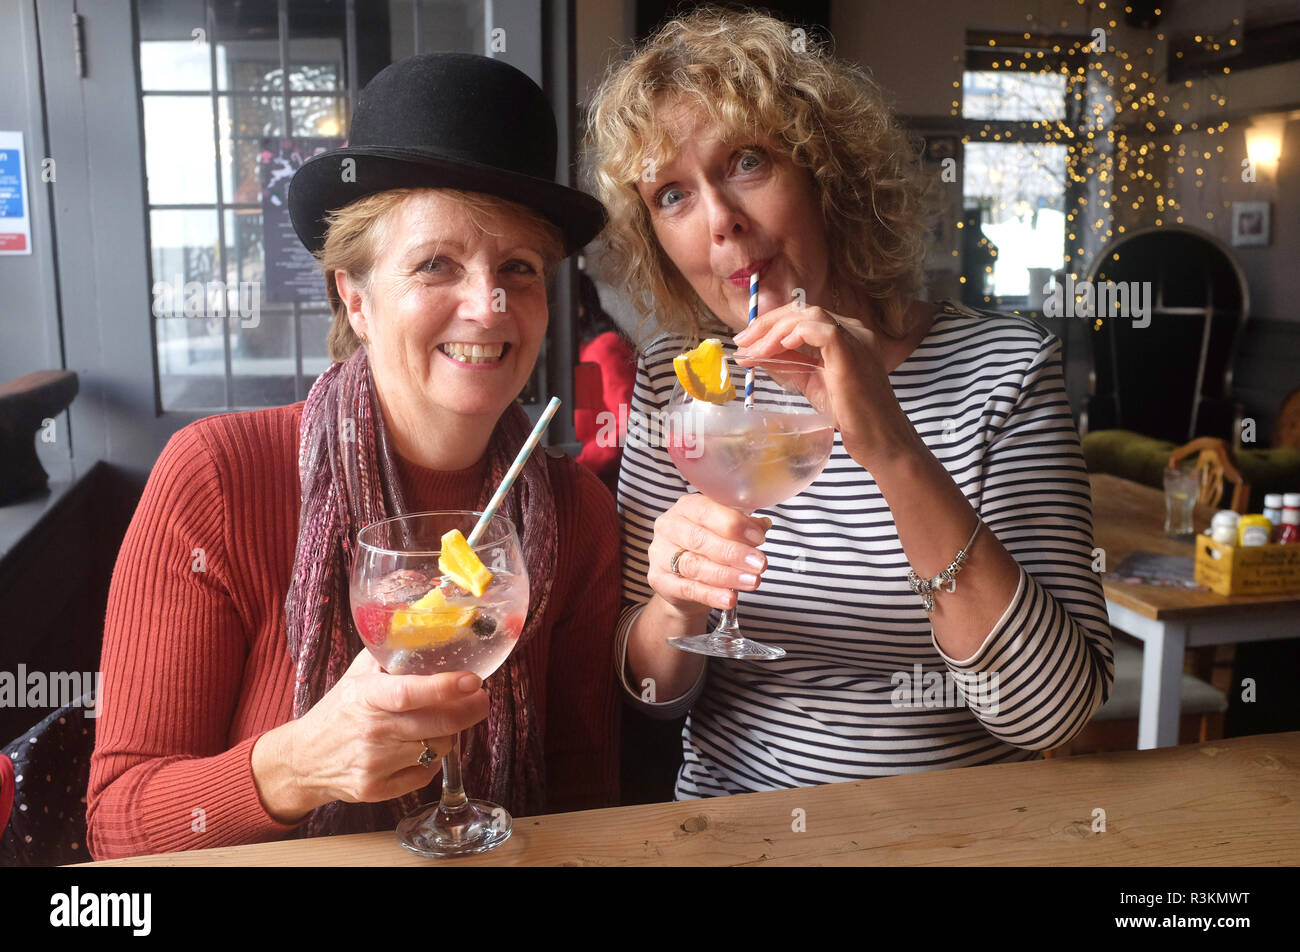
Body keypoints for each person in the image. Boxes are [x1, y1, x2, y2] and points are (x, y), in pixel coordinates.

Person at [86, 53, 620, 858]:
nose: (489, 305)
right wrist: (298, 767)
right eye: (436, 263)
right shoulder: (218, 477)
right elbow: (117, 822)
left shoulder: (575, 512)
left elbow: (587, 795)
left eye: (518, 268)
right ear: (356, 297)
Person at [585, 9, 1114, 798]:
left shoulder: (1003, 369)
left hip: (960, 835)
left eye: (747, 162)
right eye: (671, 195)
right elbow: (652, 698)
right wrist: (674, 605)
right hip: (736, 841)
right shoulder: (681, 383)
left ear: (826, 170)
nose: (720, 221)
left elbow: (1054, 715)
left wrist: (893, 450)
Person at [574, 273, 636, 491]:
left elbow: (628, 423)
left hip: (612, 491)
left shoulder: (604, 346)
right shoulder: (582, 351)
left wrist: (577, 467)